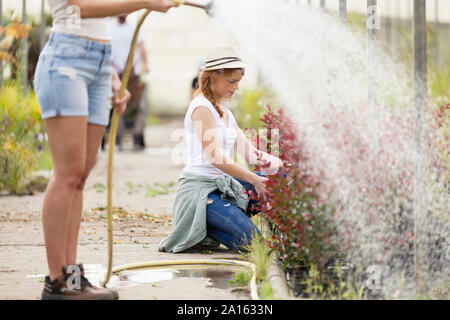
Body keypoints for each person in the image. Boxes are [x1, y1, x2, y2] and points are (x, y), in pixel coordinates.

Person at [33, 0, 178, 300]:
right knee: (68, 173)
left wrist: (111, 75)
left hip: (100, 61)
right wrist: (145, 2)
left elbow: (99, 23)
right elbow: (79, 8)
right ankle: (56, 282)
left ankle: (73, 280)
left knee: (81, 174)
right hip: (66, 59)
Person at [158, 47, 284, 254]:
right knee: (256, 246)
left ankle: (219, 222)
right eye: (231, 81)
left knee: (279, 178)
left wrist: (283, 166)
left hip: (223, 188)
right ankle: (204, 225)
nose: (236, 87)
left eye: (238, 82)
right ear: (212, 77)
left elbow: (251, 154)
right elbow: (215, 158)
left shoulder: (225, 112)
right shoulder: (201, 108)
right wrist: (254, 179)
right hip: (200, 193)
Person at [107, 14, 150, 151]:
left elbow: (141, 45)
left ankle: (137, 136)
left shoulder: (134, 26)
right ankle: (115, 137)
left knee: (137, 105)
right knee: (115, 103)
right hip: (114, 71)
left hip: (132, 71)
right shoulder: (109, 26)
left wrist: (146, 64)